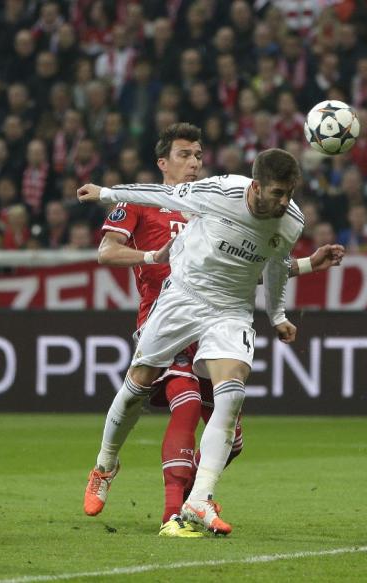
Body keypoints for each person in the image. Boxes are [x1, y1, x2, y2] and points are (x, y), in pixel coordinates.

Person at [78, 148, 344, 535]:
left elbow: (272, 267)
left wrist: (277, 315)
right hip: (184, 295)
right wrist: (106, 193)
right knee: (137, 384)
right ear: (255, 186)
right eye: (276, 193)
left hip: (231, 310)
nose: (283, 202)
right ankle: (104, 465)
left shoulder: (290, 221)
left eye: (289, 193)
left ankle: (199, 499)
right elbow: (160, 195)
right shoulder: (220, 192)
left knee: (232, 395)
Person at [91, 122, 239, 538]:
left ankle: (194, 497)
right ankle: (172, 514)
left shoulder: (211, 204)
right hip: (163, 320)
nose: (194, 164)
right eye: (184, 156)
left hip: (210, 320)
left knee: (232, 434)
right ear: (163, 163)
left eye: (198, 156)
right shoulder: (139, 201)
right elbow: (107, 251)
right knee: (187, 403)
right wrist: (152, 253)